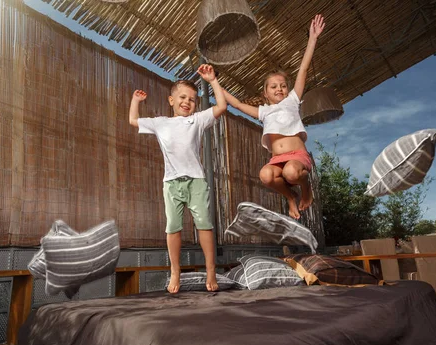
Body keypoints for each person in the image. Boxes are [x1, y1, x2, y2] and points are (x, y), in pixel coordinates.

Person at [129, 64, 227, 293]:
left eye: (192, 99)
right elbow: (134, 121)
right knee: (173, 227)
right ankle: (175, 271)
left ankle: (211, 270)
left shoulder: (198, 120)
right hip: (171, 182)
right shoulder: (160, 122)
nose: (187, 102)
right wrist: (135, 101)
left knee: (204, 224)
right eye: (182, 97)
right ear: (171, 100)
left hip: (196, 180)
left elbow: (221, 106)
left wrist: (212, 81)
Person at [223, 14, 325, 219]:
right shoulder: (264, 111)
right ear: (265, 93)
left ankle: (306, 188)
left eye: (283, 85)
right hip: (277, 159)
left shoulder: (292, 100)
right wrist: (213, 81)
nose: (279, 89)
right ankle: (290, 197)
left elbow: (303, 69)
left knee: (290, 173)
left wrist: (312, 39)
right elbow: (236, 104)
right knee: (266, 175)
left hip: (296, 158)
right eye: (273, 86)